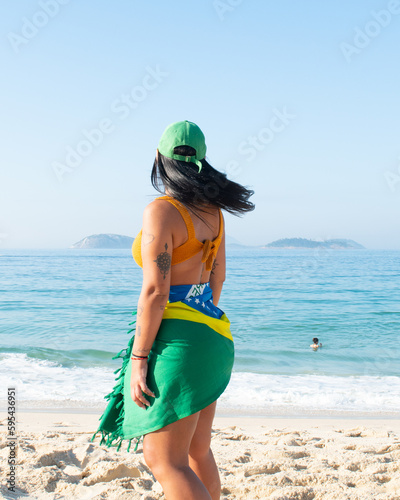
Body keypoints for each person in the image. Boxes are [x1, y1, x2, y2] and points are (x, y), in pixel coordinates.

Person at [92, 120, 255, 499]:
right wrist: (197, 326)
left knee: (165, 460)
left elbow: (155, 291)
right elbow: (217, 280)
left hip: (180, 344)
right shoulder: (213, 212)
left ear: (158, 158)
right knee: (197, 452)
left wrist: (139, 357)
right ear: (201, 160)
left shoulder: (161, 211)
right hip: (214, 335)